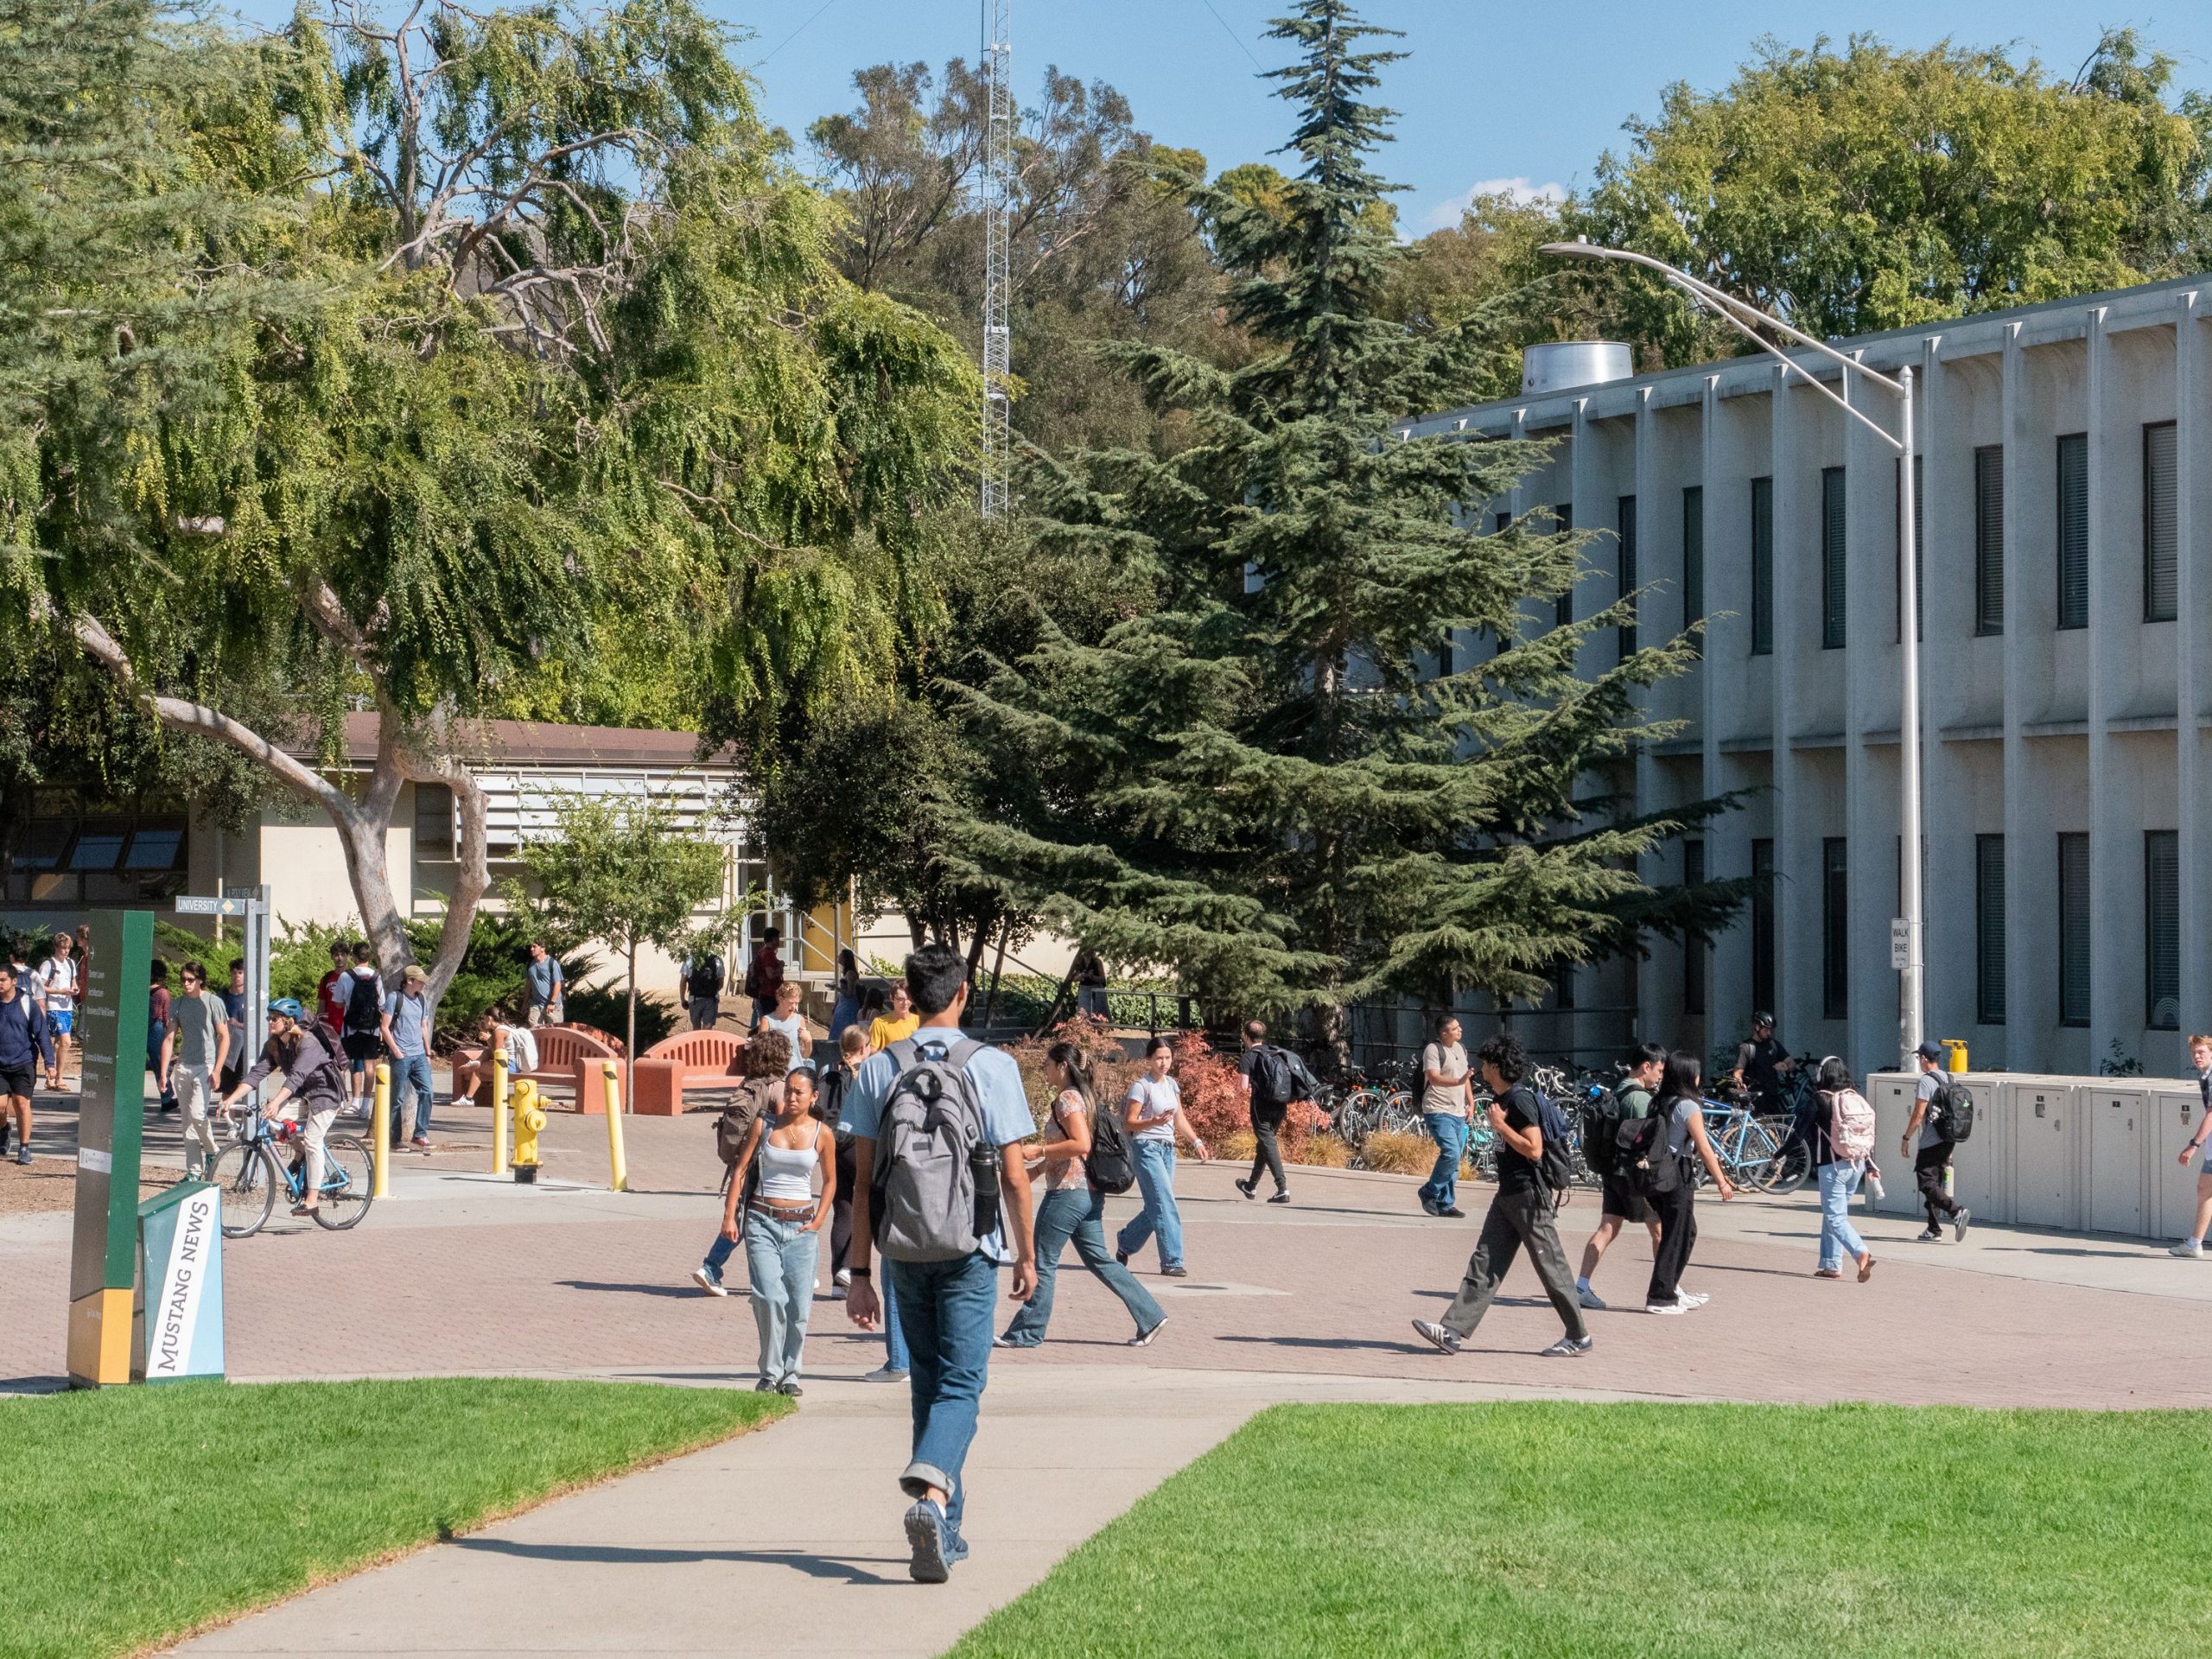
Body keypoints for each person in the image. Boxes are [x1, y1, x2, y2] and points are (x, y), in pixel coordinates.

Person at [840, 944, 1037, 1585]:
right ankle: (932, 1499)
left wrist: (860, 1274)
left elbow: (864, 1181)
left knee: (928, 1383)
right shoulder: (993, 1066)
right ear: (964, 992)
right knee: (963, 1386)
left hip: (902, 1247)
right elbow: (1014, 1175)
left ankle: (944, 1530)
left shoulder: (876, 1069)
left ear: (909, 994)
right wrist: (1028, 1255)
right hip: (971, 1247)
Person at [1411, 1031, 1592, 1358]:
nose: (1481, 1069)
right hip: (1508, 1195)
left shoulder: (1519, 1101)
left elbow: (1534, 1149)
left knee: (1551, 1267)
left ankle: (1579, 1335)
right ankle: (1452, 1331)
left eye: (1485, 1063)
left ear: (1497, 1066)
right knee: (1485, 1262)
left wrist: (1501, 1127)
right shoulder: (1504, 1100)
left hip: (1529, 1196)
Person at [1001, 1041, 1168, 1350]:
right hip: (1087, 1192)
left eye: (1048, 1064)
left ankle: (1026, 1332)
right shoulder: (1084, 1097)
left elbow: (1081, 1145)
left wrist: (1040, 1149)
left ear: (1063, 1066)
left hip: (1067, 1193)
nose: (1045, 1070)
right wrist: (1038, 1171)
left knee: (1042, 1262)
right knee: (1100, 1260)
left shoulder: (1067, 1098)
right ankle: (1151, 1315)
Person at [725, 1064, 836, 1396]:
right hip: (762, 1219)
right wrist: (730, 1216)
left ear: (813, 1096)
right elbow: (741, 1169)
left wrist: (818, 1221)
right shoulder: (765, 1123)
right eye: (788, 1090)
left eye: (798, 1092)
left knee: (799, 1305)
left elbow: (831, 1181)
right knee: (769, 1297)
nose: (790, 1097)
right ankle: (770, 1372)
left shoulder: (822, 1134)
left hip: (802, 1226)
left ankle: (791, 1374)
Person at [223, 998, 347, 1219]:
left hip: (325, 1094)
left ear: (289, 1021)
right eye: (269, 1018)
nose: (270, 1022)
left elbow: (296, 1077)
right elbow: (256, 1074)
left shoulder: (308, 1043)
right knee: (274, 1121)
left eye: (275, 1018)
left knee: (312, 1139)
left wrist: (276, 1101)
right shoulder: (274, 1044)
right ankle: (299, 1155)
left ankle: (312, 1200)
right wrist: (230, 1100)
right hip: (301, 1095)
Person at [690, 1029, 790, 1296]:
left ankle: (712, 1267)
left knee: (745, 1217)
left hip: (741, 1160)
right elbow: (782, 1128)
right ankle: (712, 1266)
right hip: (763, 1164)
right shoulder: (778, 1087)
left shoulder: (749, 1083)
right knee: (761, 1219)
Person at [1574, 1041, 1667, 1310]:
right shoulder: (1640, 1098)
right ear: (1646, 1067)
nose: (1660, 1076)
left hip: (1612, 1171)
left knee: (1607, 1228)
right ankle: (1665, 1289)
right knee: (1660, 1229)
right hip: (1633, 1176)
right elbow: (1647, 1139)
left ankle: (1581, 1285)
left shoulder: (1618, 1090)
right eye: (1659, 1070)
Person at [1643, 1050, 1733, 1316]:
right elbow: (1705, 1148)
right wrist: (1722, 1181)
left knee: (1685, 1231)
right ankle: (1660, 1296)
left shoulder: (1658, 1101)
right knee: (1677, 1233)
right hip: (1677, 1173)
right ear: (1689, 1076)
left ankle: (1670, 1289)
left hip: (1657, 1172)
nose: (1699, 1077)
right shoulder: (1688, 1106)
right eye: (1696, 1072)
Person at [1115, 1036, 1208, 1276]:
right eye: (1159, 1058)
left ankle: (1126, 1241)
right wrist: (1153, 1121)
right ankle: (1172, 1261)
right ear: (1149, 1059)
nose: (1164, 1063)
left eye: (1167, 1058)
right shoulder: (1141, 1086)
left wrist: (1196, 1141)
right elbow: (1129, 1123)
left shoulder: (1171, 1085)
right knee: (1166, 1204)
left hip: (1168, 1150)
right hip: (1146, 1149)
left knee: (1156, 1206)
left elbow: (1180, 1119)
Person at [161, 961, 231, 1178]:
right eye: (182, 979)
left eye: (190, 979)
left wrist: (218, 1070)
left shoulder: (213, 1002)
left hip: (206, 1065)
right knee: (187, 1121)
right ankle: (194, 1170)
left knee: (197, 1114)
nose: (185, 983)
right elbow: (169, 1037)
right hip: (184, 1066)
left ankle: (212, 1150)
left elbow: (224, 1036)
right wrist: (164, 1072)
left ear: (200, 980)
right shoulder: (178, 1004)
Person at [1811, 1056, 1878, 1281]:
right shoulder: (1854, 1098)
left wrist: (1778, 1155)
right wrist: (1870, 1165)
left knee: (1836, 1217)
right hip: (1856, 1165)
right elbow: (1863, 1136)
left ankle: (1861, 1252)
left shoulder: (1821, 1099)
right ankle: (1831, 1264)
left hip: (1832, 1167)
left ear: (1823, 1074)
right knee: (1834, 1214)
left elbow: (1799, 1131)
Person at [1901, 1039, 1971, 1244]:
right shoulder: (1948, 1078)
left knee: (1926, 1182)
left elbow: (1918, 1113)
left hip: (1931, 1139)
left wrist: (1906, 1138)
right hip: (1949, 1138)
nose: (1919, 1061)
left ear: (1923, 1058)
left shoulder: (1925, 1081)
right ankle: (1933, 1228)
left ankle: (1956, 1211)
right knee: (1935, 1183)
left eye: (1918, 1057)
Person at [817, 1026, 868, 1289]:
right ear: (862, 1048)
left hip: (829, 1143)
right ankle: (849, 1266)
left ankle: (839, 1282)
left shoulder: (827, 1070)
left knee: (843, 1210)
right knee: (867, 1203)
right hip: (855, 1144)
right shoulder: (864, 1073)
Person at [1233, 1019, 1300, 1205]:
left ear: (1246, 1036)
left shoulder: (1248, 1057)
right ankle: (1251, 1186)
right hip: (1280, 1105)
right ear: (1263, 1036)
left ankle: (1282, 1188)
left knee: (1268, 1145)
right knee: (1264, 1145)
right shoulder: (1275, 1053)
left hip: (1260, 1108)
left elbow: (1244, 1087)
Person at [1416, 1014, 1471, 1217]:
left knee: (1454, 1161)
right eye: (1455, 1028)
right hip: (1438, 1109)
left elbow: (1466, 1079)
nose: (1460, 1030)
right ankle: (1429, 1191)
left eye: (1459, 1027)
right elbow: (1434, 1077)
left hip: (1458, 1111)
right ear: (1444, 1033)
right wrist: (1458, 1081)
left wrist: (1471, 1103)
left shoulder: (1460, 1048)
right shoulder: (1433, 1049)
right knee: (1451, 1153)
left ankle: (1445, 1203)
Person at [0, 963, 54, 1165]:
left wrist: (50, 1063)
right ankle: (4, 1129)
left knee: (22, 1104)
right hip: (0, 1064)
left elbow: (42, 1034)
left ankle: (24, 1148)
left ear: (14, 981)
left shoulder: (26, 1003)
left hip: (23, 1061)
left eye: (3, 979)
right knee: (0, 1108)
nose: (0, 983)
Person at [378, 964, 435, 1151]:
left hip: (419, 1055)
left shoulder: (422, 999)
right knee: (397, 1098)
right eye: (420, 981)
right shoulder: (395, 998)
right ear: (409, 981)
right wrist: (396, 1051)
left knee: (427, 1092)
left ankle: (420, 1134)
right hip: (402, 1055)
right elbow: (384, 1027)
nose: (423, 984)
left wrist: (427, 1052)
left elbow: (423, 1027)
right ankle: (395, 1140)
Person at [2167, 1034, 2212, 1256]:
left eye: (2202, 1052)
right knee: (2205, 1189)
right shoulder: (2205, 1076)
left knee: (2205, 1190)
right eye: (2194, 1053)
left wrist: (2193, 1145)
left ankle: (2195, 1243)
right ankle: (2195, 1244)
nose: (2197, 1056)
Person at [339, 942, 385, 1118]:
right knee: (369, 1066)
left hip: (350, 1028)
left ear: (354, 957)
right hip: (371, 1029)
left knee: (344, 1064)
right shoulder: (376, 976)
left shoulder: (346, 976)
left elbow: (338, 1002)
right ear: (369, 957)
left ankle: (346, 1102)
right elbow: (381, 1003)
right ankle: (365, 1106)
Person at [35, 931, 79, 1090]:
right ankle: (59, 1077)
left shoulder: (71, 964)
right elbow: (40, 987)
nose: (66, 951)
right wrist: (60, 991)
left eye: (68, 948)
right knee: (66, 1041)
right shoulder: (48, 964)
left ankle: (50, 1077)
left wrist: (74, 989)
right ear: (56, 947)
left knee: (59, 1043)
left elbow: (73, 981)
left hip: (67, 1006)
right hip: (54, 1007)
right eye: (63, 948)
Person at [758, 980, 810, 1071]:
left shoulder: (799, 1020)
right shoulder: (767, 1021)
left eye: (797, 1003)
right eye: (791, 1003)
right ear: (781, 999)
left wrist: (808, 1041)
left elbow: (805, 1055)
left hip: (796, 1072)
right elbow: (761, 1052)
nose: (794, 1007)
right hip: (776, 1073)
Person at [147, 958, 175, 1113]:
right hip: (156, 1028)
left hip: (142, 1027)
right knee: (160, 1066)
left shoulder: (140, 989)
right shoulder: (163, 993)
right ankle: (166, 1098)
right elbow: (166, 1015)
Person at [217, 959, 248, 1095]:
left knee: (246, 1088)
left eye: (240, 972)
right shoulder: (222, 996)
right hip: (228, 1048)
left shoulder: (252, 997)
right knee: (228, 1089)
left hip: (246, 1049)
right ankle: (228, 1115)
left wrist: (238, 1024)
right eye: (234, 972)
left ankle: (246, 1116)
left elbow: (261, 1025)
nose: (237, 976)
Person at [743, 929, 785, 1026]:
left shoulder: (764, 952)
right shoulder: (767, 954)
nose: (779, 941)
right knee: (769, 1024)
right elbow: (770, 974)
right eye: (778, 938)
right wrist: (780, 967)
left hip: (765, 994)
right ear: (773, 939)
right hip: (768, 995)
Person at [680, 948, 726, 1031]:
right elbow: (721, 983)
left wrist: (683, 1000)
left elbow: (683, 981)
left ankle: (697, 1043)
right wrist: (713, 991)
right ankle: (706, 1043)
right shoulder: (717, 960)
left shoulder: (690, 959)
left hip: (694, 999)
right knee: (708, 1028)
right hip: (711, 1000)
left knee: (696, 1028)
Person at [866, 981, 918, 1052]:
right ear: (891, 998)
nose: (905, 1003)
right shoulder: (879, 1023)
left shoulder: (920, 1021)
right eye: (900, 999)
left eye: (908, 998)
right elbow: (871, 1052)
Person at [315, 941, 353, 1040]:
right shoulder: (327, 978)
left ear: (347, 957)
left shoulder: (354, 977)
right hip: (330, 1028)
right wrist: (317, 1024)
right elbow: (322, 1004)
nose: (339, 958)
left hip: (351, 1028)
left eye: (343, 955)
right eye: (336, 955)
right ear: (332, 957)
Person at [524, 940, 564, 1028]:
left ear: (542, 948)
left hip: (553, 1006)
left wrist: (552, 1002)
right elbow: (528, 985)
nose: (531, 949)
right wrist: (525, 1003)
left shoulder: (552, 963)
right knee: (534, 1029)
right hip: (536, 1004)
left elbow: (558, 984)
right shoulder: (530, 965)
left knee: (555, 1030)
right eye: (531, 947)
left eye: (534, 947)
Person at [829, 949, 862, 1044]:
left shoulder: (850, 973)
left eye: (841, 956)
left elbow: (850, 993)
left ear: (845, 959)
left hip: (848, 1006)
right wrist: (835, 1005)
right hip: (842, 1005)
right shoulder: (845, 973)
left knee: (845, 1028)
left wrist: (835, 987)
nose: (838, 957)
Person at [1071, 945, 1109, 1020]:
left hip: (1096, 989)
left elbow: (1103, 979)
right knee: (1083, 1011)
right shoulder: (1079, 962)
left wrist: (1093, 977)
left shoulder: (1097, 962)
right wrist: (1081, 976)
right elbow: (1074, 979)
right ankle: (1086, 1029)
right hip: (1084, 989)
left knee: (1097, 1011)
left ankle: (1098, 1028)